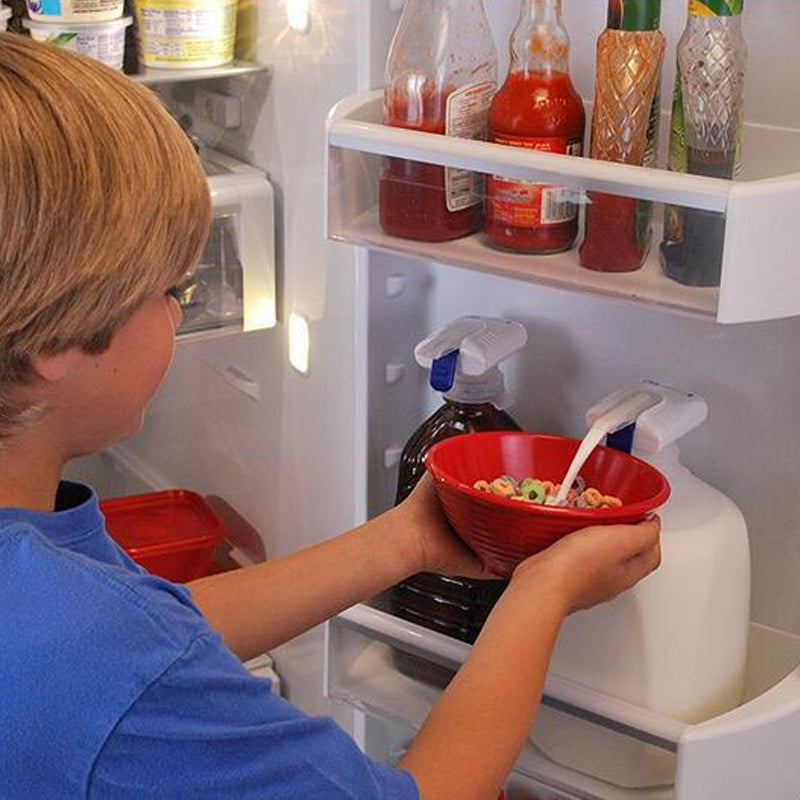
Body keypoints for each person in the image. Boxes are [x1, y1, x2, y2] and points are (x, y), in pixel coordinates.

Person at [0, 33, 661, 800]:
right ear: (52, 337)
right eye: (169, 291)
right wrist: (542, 593)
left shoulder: (62, 611)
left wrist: (406, 539)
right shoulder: (95, 651)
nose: (178, 318)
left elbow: (154, 638)